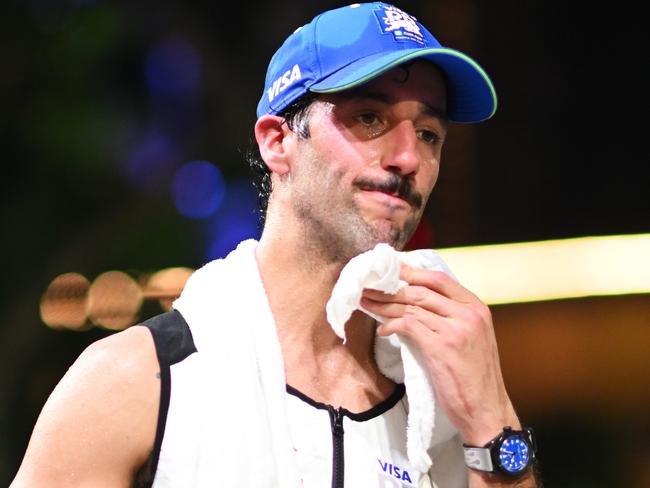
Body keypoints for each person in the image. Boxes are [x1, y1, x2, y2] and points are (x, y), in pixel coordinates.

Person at [12, 3, 540, 487]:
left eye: (429, 134)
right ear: (277, 141)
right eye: (369, 118)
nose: (408, 157)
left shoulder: (437, 397)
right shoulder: (138, 380)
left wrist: (493, 422)